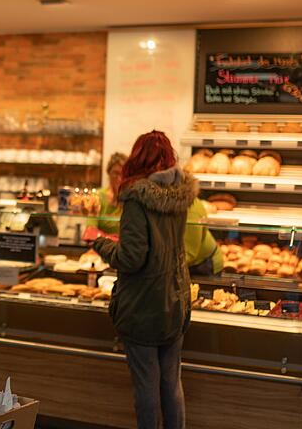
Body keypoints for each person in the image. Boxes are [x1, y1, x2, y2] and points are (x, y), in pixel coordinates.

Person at [92, 130, 195, 429]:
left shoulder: (137, 199)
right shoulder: (179, 197)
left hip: (144, 307)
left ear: (137, 159)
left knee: (147, 388)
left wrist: (100, 242)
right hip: (175, 302)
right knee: (171, 384)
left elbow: (131, 259)